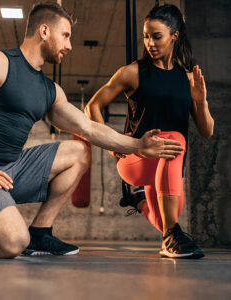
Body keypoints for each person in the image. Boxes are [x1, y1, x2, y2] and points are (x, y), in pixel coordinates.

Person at [0, 3, 183, 259]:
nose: (69, 45)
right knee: (13, 244)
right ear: (44, 31)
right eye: (65, 36)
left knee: (79, 152)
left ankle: (40, 233)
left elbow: (88, 127)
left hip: (11, 170)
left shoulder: (50, 90)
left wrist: (138, 146)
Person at [85, 3, 214, 259]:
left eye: (157, 36)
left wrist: (200, 101)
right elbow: (93, 106)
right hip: (136, 160)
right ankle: (171, 238)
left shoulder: (188, 79)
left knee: (167, 218)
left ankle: (139, 202)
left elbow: (207, 131)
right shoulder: (132, 73)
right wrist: (115, 146)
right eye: (146, 36)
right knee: (174, 139)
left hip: (169, 164)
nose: (149, 43)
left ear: (174, 36)